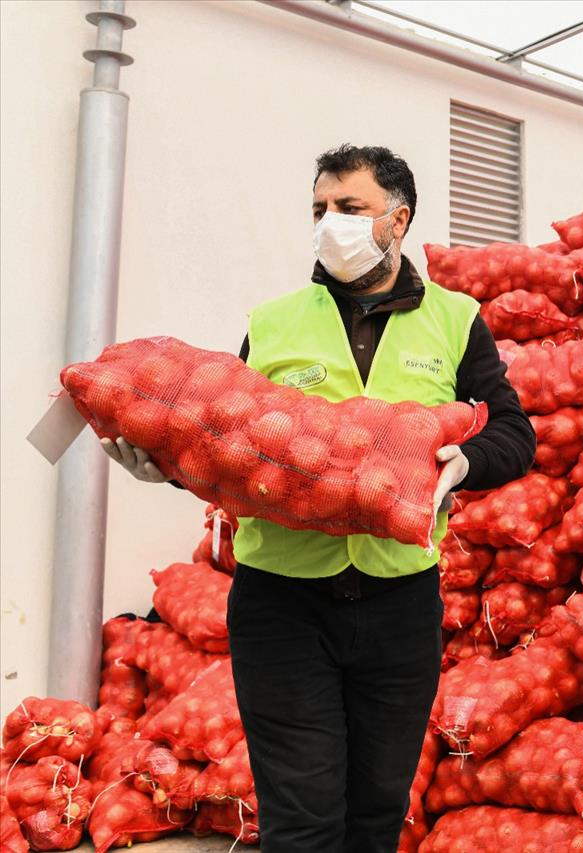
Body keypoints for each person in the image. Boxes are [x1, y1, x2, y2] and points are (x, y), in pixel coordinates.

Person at [101, 144, 535, 851]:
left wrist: (465, 464)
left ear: (398, 220)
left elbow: (515, 430)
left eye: (350, 208)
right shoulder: (275, 321)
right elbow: (229, 442)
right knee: (302, 821)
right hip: (284, 604)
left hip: (399, 603)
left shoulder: (456, 319)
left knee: (375, 812)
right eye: (319, 209)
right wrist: (173, 469)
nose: (330, 222)